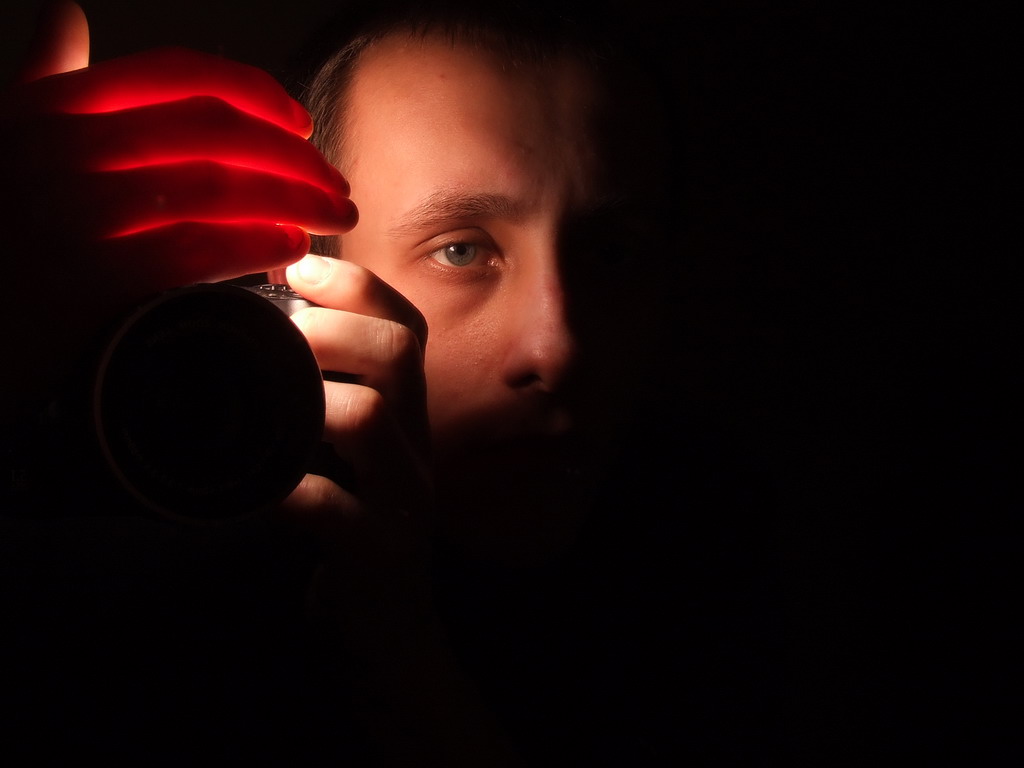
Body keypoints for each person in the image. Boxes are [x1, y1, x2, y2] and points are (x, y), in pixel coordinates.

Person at [1, 1, 782, 765]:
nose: (558, 348)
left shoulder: (704, 553)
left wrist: (401, 654)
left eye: (612, 253)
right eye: (460, 251)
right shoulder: (129, 601)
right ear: (299, 281)